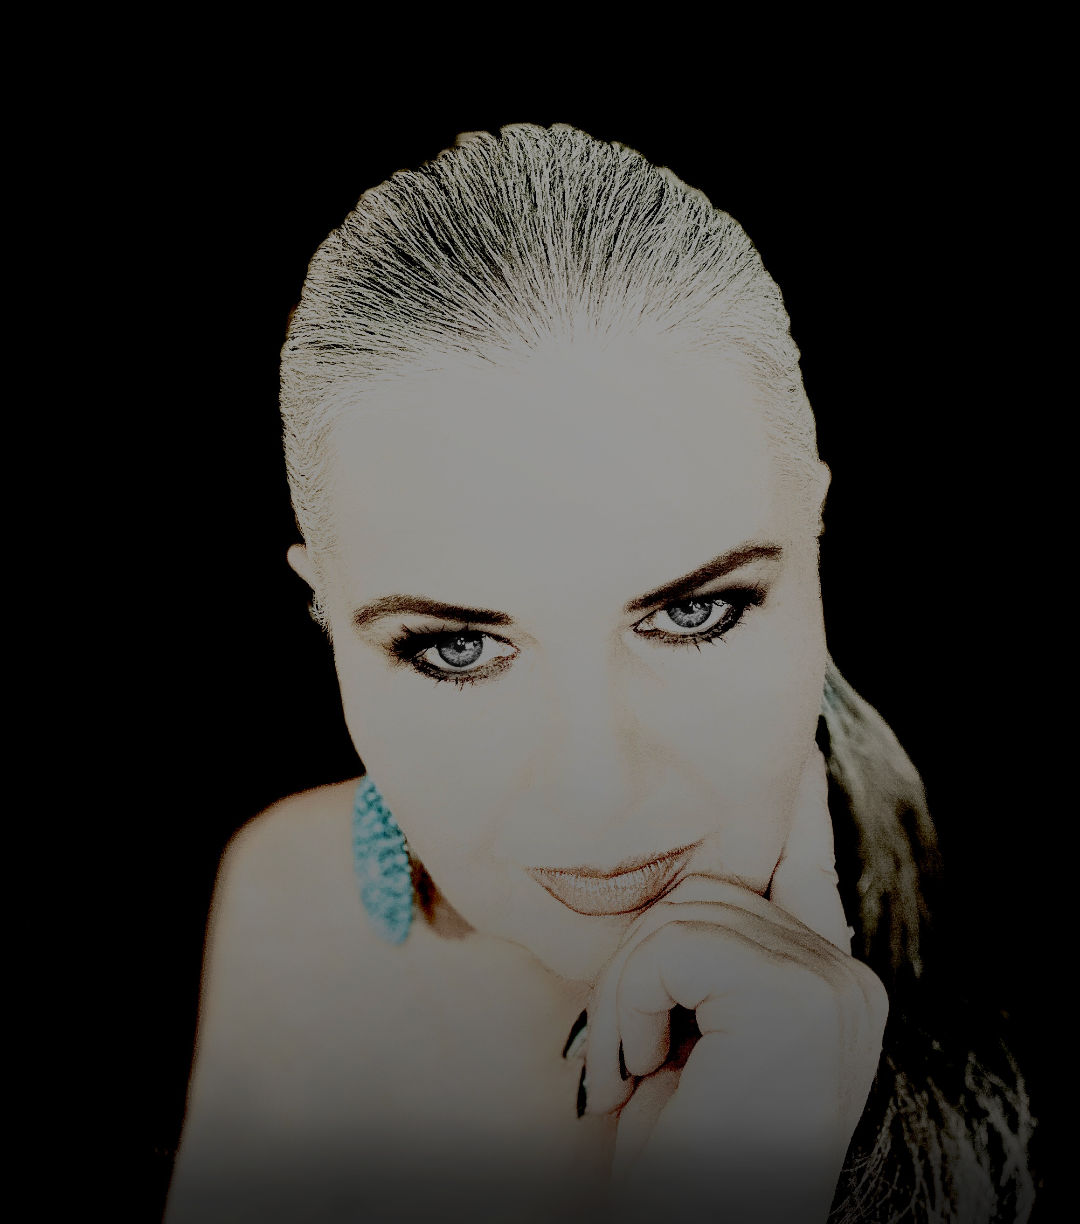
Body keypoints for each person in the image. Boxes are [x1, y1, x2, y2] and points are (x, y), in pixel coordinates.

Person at [164, 123, 1034, 1223]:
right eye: (456, 647)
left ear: (812, 537)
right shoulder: (292, 900)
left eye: (693, 611)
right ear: (322, 611)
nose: (594, 793)